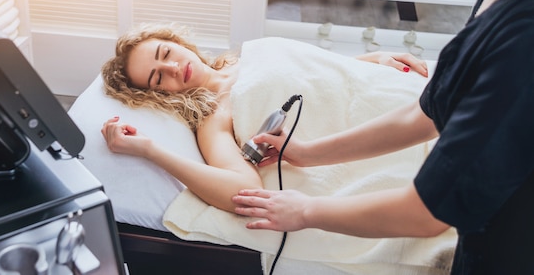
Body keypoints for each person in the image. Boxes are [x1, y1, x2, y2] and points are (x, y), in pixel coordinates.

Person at [232, 0, 534, 273]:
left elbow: (427, 212)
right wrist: (306, 153)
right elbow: (425, 114)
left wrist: (306, 210)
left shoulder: (523, 39)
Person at [100, 23, 428, 213]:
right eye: (159, 79)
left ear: (177, 43)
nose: (172, 68)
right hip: (385, 137)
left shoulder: (246, 56)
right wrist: (149, 150)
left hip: (394, 89)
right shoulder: (213, 118)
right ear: (159, 96)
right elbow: (242, 190)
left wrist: (373, 58)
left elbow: (316, 71)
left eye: (166, 54)